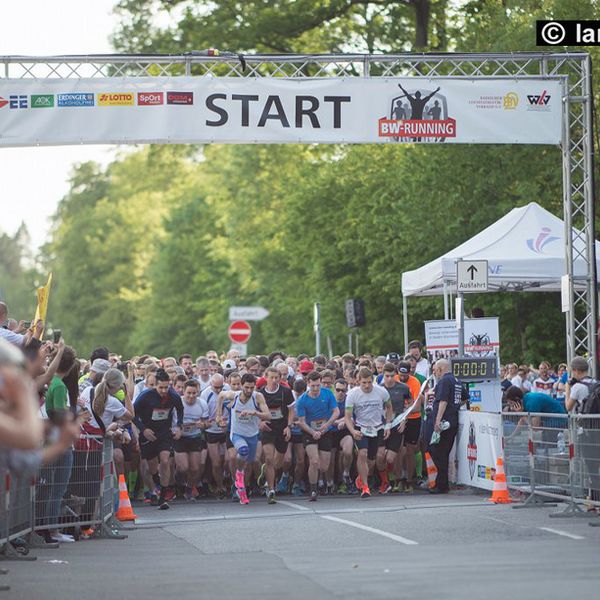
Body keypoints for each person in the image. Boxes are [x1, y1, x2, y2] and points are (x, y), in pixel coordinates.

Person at [133, 368, 183, 509]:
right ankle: (158, 485)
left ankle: (163, 498)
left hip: (164, 433)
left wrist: (179, 426)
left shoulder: (173, 396)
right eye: (160, 387)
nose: (163, 390)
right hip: (148, 434)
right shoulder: (145, 396)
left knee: (166, 461)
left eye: (166, 387)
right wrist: (143, 429)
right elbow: (133, 414)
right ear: (155, 385)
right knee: (152, 467)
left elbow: (180, 409)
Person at [217, 374, 270, 504]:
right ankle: (239, 475)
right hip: (236, 434)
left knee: (250, 463)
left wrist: (255, 413)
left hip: (252, 435)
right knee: (243, 451)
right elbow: (220, 396)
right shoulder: (233, 395)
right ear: (241, 386)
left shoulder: (258, 397)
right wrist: (218, 415)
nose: (249, 390)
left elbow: (268, 416)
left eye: (252, 388)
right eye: (246, 387)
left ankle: (242, 490)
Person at [344, 366, 393, 498]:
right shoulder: (352, 394)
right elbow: (347, 417)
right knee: (362, 453)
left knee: (371, 461)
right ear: (358, 381)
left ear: (373, 380)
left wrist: (388, 425)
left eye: (369, 382)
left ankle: (361, 478)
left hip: (377, 427)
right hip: (361, 427)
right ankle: (365, 488)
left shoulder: (381, 392)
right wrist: (353, 431)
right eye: (363, 383)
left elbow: (389, 408)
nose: (366, 385)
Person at [295, 371, 339, 501]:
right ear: (308, 384)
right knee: (314, 461)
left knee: (324, 466)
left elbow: (336, 412)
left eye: (318, 385)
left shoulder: (327, 393)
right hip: (309, 431)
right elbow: (301, 422)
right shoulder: (302, 400)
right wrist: (313, 432)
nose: (315, 389)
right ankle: (313, 490)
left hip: (326, 430)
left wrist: (326, 426)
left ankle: (315, 477)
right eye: (313, 386)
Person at [428, 359, 465, 494]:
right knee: (442, 452)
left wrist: (438, 420)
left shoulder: (444, 381)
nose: (435, 373)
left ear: (440, 369)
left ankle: (442, 485)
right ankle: (441, 483)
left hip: (444, 423)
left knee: (437, 451)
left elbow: (443, 401)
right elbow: (465, 398)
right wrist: (454, 407)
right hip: (452, 420)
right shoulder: (456, 381)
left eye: (435, 370)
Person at [258, 367, 294, 503]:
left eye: (276, 378)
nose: (273, 380)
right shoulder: (260, 394)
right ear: (265, 377)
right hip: (267, 429)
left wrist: (289, 427)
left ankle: (266, 472)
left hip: (282, 428)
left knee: (278, 462)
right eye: (271, 377)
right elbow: (255, 411)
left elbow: (291, 411)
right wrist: (260, 422)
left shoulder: (286, 392)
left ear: (280, 378)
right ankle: (271, 490)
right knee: (268, 458)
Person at [379, 362, 414, 492]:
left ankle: (392, 477)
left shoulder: (403, 388)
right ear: (383, 375)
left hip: (397, 424)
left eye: (392, 376)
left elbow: (411, 404)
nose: (389, 379)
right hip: (382, 425)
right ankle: (385, 481)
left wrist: (404, 418)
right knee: (380, 455)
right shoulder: (379, 388)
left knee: (390, 457)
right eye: (387, 376)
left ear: (396, 375)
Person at [174, 379, 208, 501]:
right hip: (180, 438)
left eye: (194, 393)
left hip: (195, 437)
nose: (191, 396)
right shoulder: (177, 402)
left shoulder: (202, 403)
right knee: (183, 467)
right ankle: (177, 481)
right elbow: (170, 421)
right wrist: (177, 429)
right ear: (183, 391)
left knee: (195, 468)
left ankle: (189, 489)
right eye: (189, 393)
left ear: (198, 392)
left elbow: (206, 422)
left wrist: (203, 425)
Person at [202, 373, 232, 497]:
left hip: (225, 430)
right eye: (216, 387)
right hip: (212, 431)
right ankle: (220, 486)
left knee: (228, 460)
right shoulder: (206, 394)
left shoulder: (228, 390)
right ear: (211, 384)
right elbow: (203, 415)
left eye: (221, 387)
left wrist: (228, 423)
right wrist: (208, 423)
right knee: (216, 462)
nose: (219, 390)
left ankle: (226, 478)